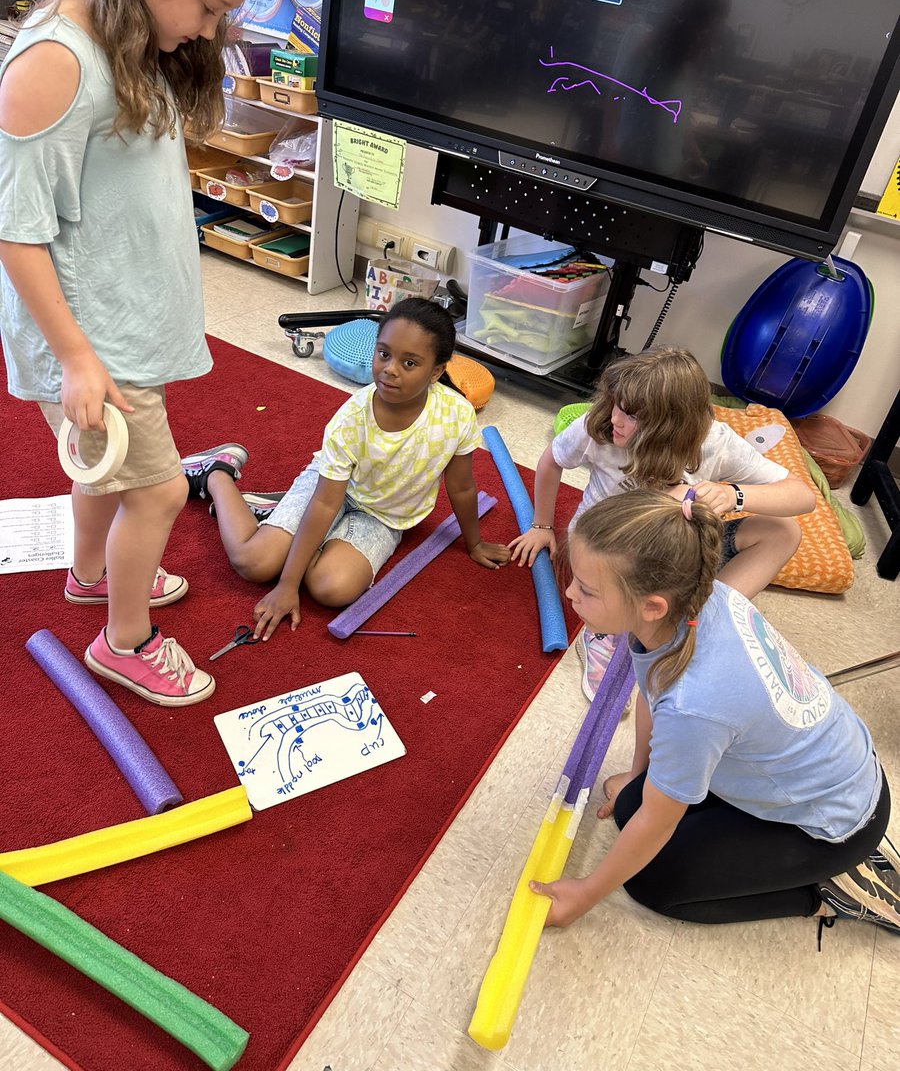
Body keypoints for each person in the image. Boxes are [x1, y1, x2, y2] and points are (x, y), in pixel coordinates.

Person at [0, 0, 266, 705]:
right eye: (211, 7)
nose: (211, 28)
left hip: (117, 320)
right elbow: (16, 227)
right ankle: (126, 641)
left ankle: (90, 574)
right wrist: (77, 359)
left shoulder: (126, 27)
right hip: (92, 338)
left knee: (102, 475)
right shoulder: (54, 61)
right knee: (151, 490)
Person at [530, 490, 899, 939]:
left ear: (652, 606)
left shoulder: (694, 704)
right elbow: (650, 690)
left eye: (586, 589)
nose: (568, 592)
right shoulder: (701, 600)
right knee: (631, 806)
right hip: (807, 766)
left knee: (653, 883)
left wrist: (584, 894)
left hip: (833, 823)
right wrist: (637, 773)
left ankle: (824, 894)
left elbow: (661, 808)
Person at [183, 297, 511, 640]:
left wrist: (474, 544)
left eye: (409, 362)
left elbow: (461, 487)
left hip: (383, 516)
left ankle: (280, 517)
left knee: (332, 590)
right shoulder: (352, 419)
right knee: (255, 564)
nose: (390, 369)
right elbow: (325, 503)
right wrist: (286, 584)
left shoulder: (456, 414)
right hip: (330, 491)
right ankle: (217, 472)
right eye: (383, 354)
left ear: (437, 371)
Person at [508, 347, 815, 700]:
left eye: (633, 415)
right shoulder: (600, 427)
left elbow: (801, 496)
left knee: (784, 530)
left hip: (674, 552)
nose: (616, 419)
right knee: (620, 572)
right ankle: (605, 634)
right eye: (616, 403)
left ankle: (700, 621)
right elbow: (551, 461)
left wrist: (733, 494)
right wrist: (542, 526)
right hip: (607, 550)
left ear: (674, 426)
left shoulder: (714, 442)